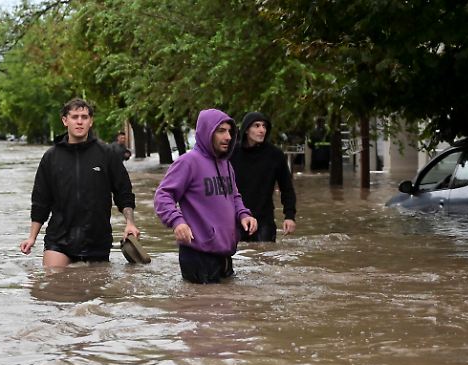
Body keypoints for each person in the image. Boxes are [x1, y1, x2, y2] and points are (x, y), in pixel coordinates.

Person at [19, 98, 140, 267]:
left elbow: (124, 193)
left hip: (97, 239)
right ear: (65, 120)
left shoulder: (107, 154)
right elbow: (41, 201)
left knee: (96, 290)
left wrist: (130, 223)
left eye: (84, 117)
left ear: (91, 121)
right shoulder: (51, 157)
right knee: (52, 283)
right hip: (59, 239)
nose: (79, 121)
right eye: (75, 117)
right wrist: (32, 237)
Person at [154, 108, 257, 284]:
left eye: (229, 131)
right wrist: (177, 222)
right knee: (200, 309)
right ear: (206, 132)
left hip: (224, 255)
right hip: (197, 256)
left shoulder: (226, 165)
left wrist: (244, 214)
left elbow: (234, 197)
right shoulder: (188, 162)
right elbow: (163, 195)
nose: (228, 137)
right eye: (221, 131)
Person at [230, 112, 296, 242]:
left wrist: (289, 216)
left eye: (264, 126)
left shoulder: (275, 155)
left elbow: (287, 188)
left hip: (264, 220)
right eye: (257, 126)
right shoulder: (232, 154)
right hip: (236, 218)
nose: (262, 130)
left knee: (265, 257)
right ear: (246, 130)